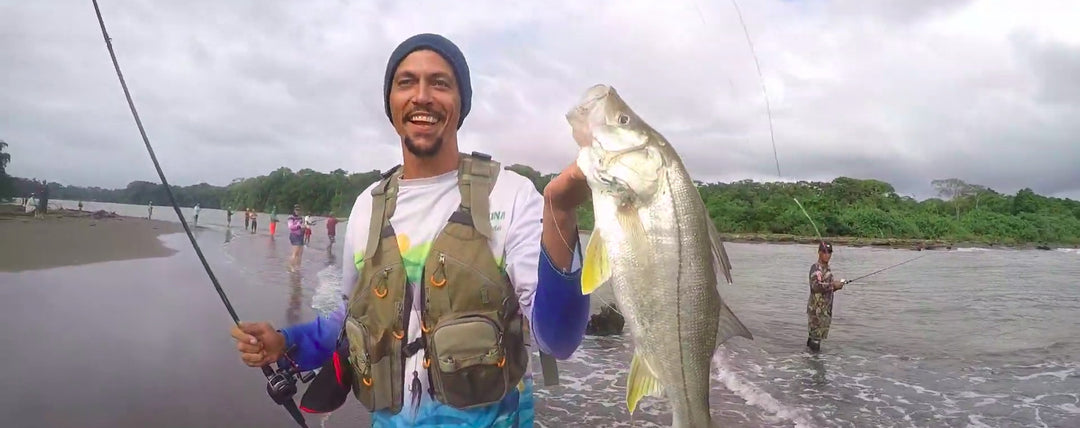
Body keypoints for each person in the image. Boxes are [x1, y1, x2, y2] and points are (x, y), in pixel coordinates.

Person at [229, 33, 591, 427]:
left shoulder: (511, 194)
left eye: (440, 83)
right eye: (406, 82)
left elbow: (559, 339)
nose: (422, 96)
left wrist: (561, 212)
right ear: (391, 103)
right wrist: (285, 344)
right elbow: (349, 319)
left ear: (460, 103)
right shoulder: (368, 204)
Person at [807, 241, 846, 352]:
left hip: (825, 311)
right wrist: (833, 285)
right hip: (816, 312)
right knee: (815, 340)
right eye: (824, 251)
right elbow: (816, 286)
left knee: (814, 338)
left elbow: (827, 288)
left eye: (829, 252)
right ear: (819, 252)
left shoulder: (827, 269)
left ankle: (808, 361)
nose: (827, 254)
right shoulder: (816, 268)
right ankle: (814, 365)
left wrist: (837, 287)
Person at [287, 205, 305, 271]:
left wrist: (304, 226)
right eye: (296, 210)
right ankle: (291, 267)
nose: (297, 211)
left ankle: (298, 267)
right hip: (294, 236)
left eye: (299, 210)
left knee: (300, 253)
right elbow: (290, 227)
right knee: (295, 253)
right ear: (294, 210)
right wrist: (299, 225)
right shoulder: (291, 218)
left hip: (301, 236)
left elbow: (302, 225)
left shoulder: (300, 217)